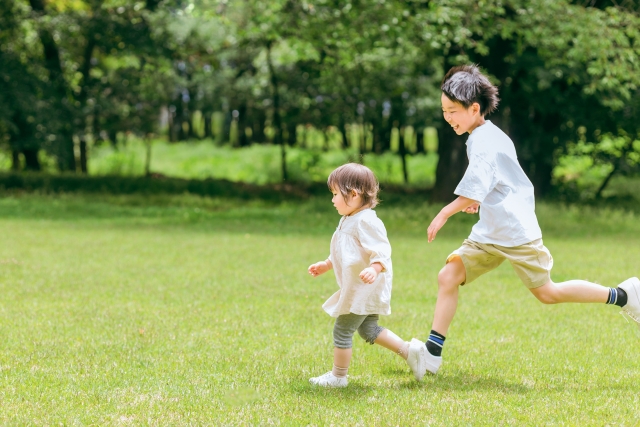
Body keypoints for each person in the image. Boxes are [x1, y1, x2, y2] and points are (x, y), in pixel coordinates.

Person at [412, 64, 640, 381]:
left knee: (548, 293)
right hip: (491, 232)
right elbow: (495, 179)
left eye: (452, 111)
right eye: (444, 111)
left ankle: (625, 295)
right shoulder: (483, 135)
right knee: (448, 275)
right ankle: (431, 356)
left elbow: (479, 181)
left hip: (516, 233)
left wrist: (443, 212)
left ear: (474, 108)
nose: (448, 117)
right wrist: (479, 198)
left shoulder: (485, 139)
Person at [307, 163, 426, 387]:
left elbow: (381, 250)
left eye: (335, 194)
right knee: (368, 329)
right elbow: (346, 251)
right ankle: (410, 352)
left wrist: (374, 268)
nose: (332, 200)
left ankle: (338, 377)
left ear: (353, 194)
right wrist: (326, 263)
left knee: (342, 330)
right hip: (363, 287)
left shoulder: (366, 221)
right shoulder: (349, 219)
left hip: (364, 287)